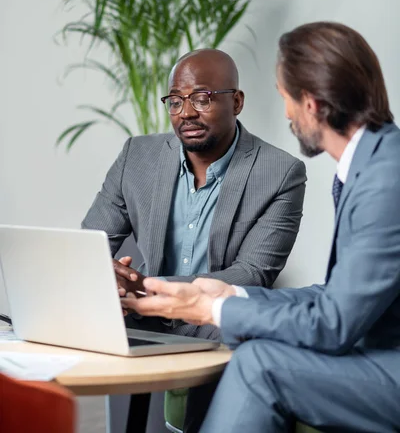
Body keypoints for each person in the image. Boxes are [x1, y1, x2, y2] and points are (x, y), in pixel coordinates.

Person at [122, 23, 400, 433]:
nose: (286, 113)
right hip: (379, 348)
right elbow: (341, 296)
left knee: (259, 364)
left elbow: (334, 322)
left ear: (312, 102)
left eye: (285, 96)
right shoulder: (372, 164)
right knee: (255, 346)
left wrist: (211, 309)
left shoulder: (384, 178)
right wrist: (231, 294)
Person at [82, 48, 306, 432]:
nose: (186, 112)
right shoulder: (137, 156)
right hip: (141, 317)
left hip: (214, 320)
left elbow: (253, 274)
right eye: (175, 101)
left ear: (236, 101)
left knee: (239, 340)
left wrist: (150, 288)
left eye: (201, 98)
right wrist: (110, 281)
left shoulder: (280, 172)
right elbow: (91, 245)